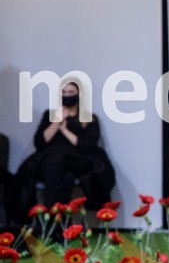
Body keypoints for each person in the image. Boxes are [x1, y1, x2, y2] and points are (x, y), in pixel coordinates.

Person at [15, 81, 115, 231]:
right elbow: (40, 143)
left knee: (60, 162)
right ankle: (60, 228)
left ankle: (50, 226)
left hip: (76, 159)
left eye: (71, 92)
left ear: (79, 94)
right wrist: (56, 123)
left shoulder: (89, 118)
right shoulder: (50, 115)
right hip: (49, 161)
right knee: (63, 175)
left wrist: (65, 129)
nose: (67, 96)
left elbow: (86, 146)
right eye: (64, 93)